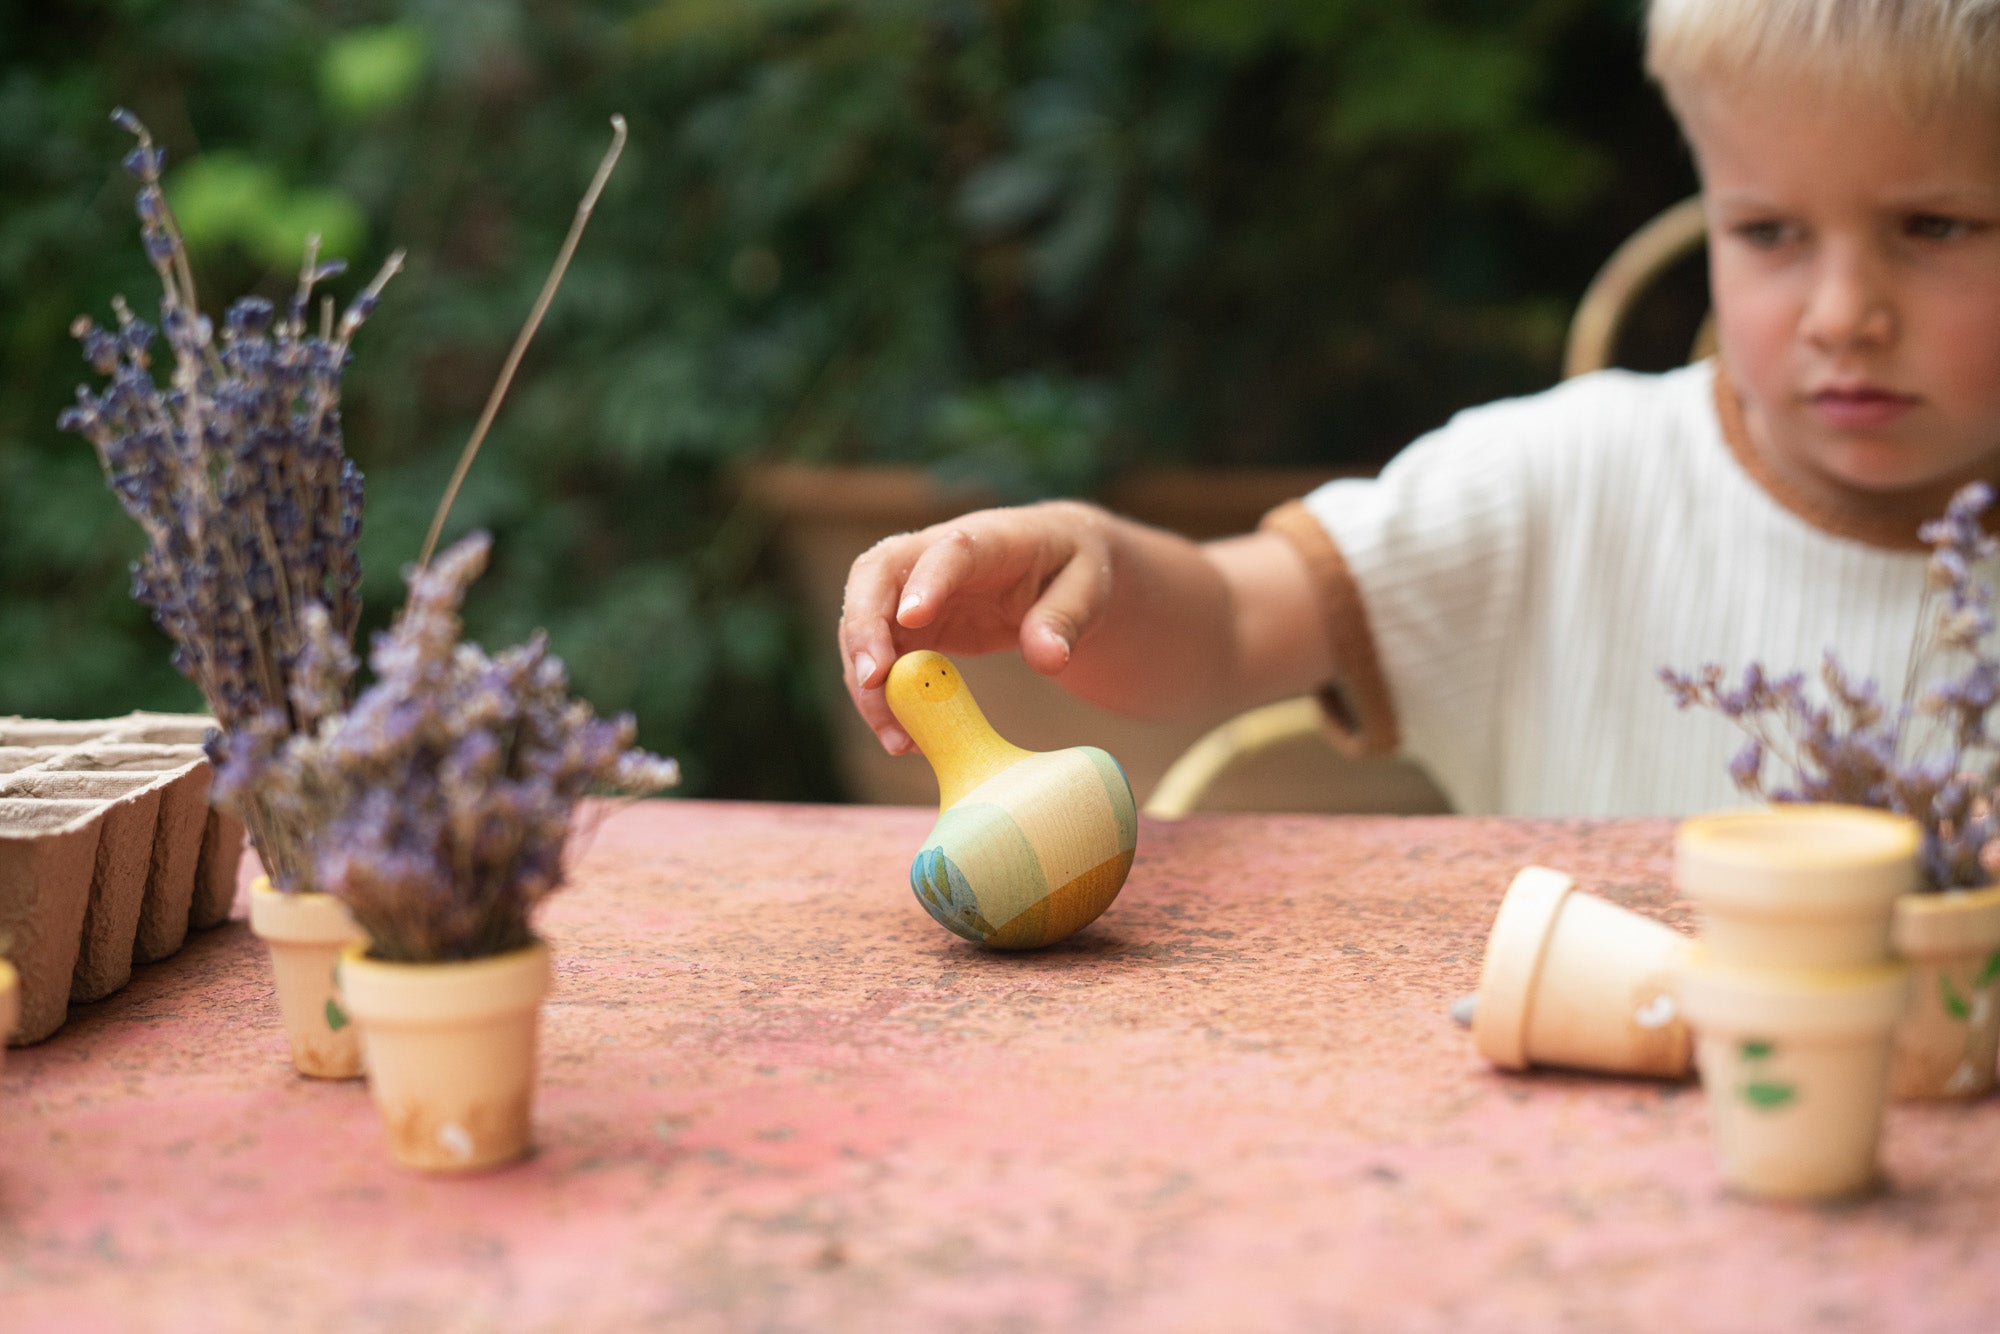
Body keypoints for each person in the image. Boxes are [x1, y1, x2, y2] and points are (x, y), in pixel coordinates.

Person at [837, 0, 2000, 817]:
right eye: (1767, 232)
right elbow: (1234, 624)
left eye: (1933, 226)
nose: (1842, 313)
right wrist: (1082, 559)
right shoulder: (1560, 481)